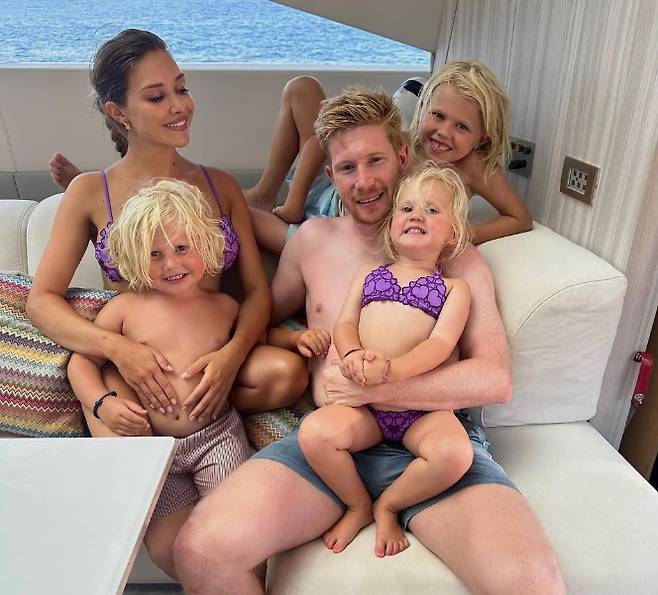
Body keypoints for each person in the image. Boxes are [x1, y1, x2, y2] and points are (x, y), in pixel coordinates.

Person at [174, 87, 565, 594]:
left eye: (375, 160)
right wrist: (272, 345)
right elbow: (260, 321)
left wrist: (379, 389)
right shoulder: (312, 242)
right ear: (330, 174)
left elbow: (494, 378)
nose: (363, 182)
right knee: (201, 550)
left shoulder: (452, 254)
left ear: (402, 155)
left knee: (535, 584)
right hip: (333, 443)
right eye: (347, 167)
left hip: (434, 441)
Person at [27, 28, 305, 573]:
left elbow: (254, 293)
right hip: (138, 375)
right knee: (174, 547)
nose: (179, 105)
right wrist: (118, 352)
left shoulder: (220, 186)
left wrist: (230, 358)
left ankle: (212, 440)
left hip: (207, 362)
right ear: (119, 112)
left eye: (182, 87)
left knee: (287, 373)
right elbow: (42, 301)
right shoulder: (90, 191)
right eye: (157, 96)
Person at [67, 179, 253, 576]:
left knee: (236, 534)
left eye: (182, 248)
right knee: (170, 550)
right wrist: (102, 404)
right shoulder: (125, 308)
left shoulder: (224, 306)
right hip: (154, 448)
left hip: (215, 438)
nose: (170, 264)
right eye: (154, 254)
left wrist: (298, 338)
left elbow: (258, 339)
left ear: (205, 243)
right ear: (133, 257)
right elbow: (80, 364)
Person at [298, 163, 474, 557]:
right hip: (365, 409)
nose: (416, 216)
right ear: (392, 223)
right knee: (314, 434)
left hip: (421, 411)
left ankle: (389, 505)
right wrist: (352, 355)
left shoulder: (453, 289)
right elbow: (345, 324)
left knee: (455, 454)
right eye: (407, 208)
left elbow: (440, 345)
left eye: (432, 210)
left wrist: (393, 372)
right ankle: (358, 504)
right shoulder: (369, 274)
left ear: (453, 233)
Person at [405, 60, 533, 244]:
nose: (444, 132)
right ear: (422, 107)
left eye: (461, 126)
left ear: (482, 138)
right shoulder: (402, 149)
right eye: (438, 115)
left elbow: (520, 218)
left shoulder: (474, 167)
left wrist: (469, 234)